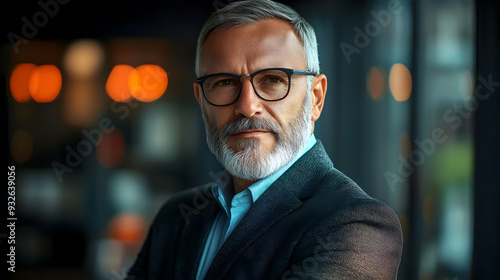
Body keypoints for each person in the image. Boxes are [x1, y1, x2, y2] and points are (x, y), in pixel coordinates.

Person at [126, 0, 403, 279]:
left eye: (272, 80)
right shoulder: (176, 217)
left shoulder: (357, 225)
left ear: (316, 98)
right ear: (201, 101)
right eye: (224, 83)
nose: (247, 106)